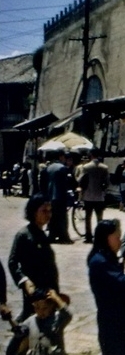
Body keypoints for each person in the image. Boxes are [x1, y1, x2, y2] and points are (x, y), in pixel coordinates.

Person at [88, 219, 125, 355]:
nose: (120, 241)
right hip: (111, 320)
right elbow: (119, 283)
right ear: (107, 237)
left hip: (122, 318)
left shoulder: (109, 258)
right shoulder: (99, 261)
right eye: (117, 237)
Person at [8, 194, 60, 322]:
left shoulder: (42, 235)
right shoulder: (24, 235)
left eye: (50, 211)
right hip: (34, 294)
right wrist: (24, 280)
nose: (48, 215)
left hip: (49, 293)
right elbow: (12, 262)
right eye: (44, 211)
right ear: (33, 211)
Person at [6, 288, 72, 355]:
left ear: (52, 306)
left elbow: (68, 315)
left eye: (45, 308)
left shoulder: (57, 318)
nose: (40, 312)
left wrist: (56, 298)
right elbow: (19, 335)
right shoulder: (30, 321)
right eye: (37, 308)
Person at [79, 149, 110, 243]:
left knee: (88, 217)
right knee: (99, 218)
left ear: (91, 155)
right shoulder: (104, 167)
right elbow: (107, 182)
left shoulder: (86, 167)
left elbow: (81, 180)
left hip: (88, 195)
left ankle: (88, 236)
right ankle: (100, 236)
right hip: (100, 196)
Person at [45, 150, 73, 243]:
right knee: (62, 217)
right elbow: (65, 184)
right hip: (60, 195)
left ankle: (52, 235)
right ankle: (63, 236)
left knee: (52, 217)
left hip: (50, 196)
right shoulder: (62, 168)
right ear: (61, 157)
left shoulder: (48, 168)